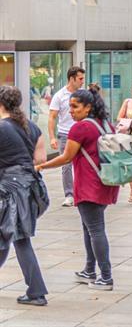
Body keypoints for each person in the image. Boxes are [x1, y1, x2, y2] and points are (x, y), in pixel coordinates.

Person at [37, 85, 119, 291]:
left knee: (96, 230)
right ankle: (89, 270)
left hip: (89, 185)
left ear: (88, 107)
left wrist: (40, 166)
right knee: (89, 228)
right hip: (106, 182)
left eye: (75, 107)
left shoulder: (81, 127)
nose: (71, 111)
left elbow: (66, 157)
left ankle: (106, 277)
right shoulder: (106, 124)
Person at [0, 86, 49, 306]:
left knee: (17, 239)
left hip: (11, 190)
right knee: (11, 237)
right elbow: (40, 160)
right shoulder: (31, 127)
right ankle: (36, 290)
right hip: (30, 187)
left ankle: (37, 292)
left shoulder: (2, 128)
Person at [47, 65, 85, 207]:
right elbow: (52, 117)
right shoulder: (59, 95)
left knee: (82, 164)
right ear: (72, 78)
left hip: (82, 134)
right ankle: (69, 195)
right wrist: (52, 137)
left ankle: (81, 192)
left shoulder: (83, 94)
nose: (82, 81)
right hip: (65, 134)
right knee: (66, 165)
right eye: (80, 79)